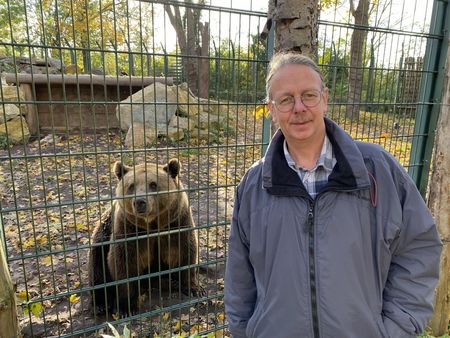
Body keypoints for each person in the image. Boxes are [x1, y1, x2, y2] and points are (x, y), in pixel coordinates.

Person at [224, 52, 442, 338]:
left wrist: (395, 328)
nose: (299, 108)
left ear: (324, 99)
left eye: (308, 95)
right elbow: (239, 276)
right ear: (271, 110)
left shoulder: (377, 170)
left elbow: (419, 248)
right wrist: (244, 331)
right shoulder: (254, 186)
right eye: (286, 100)